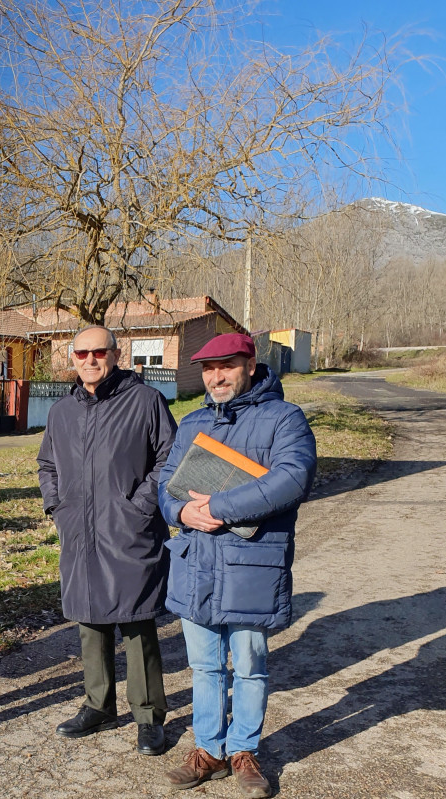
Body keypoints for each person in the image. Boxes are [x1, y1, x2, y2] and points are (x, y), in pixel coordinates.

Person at [158, 332, 316, 798]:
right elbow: (166, 483)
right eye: (208, 368)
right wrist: (182, 512)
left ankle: (244, 750)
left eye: (226, 365)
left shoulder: (284, 418)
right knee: (205, 667)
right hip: (197, 562)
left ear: (250, 364)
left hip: (250, 565)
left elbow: (294, 478)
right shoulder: (192, 423)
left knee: (249, 665)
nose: (216, 376)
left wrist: (222, 507)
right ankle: (208, 749)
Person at [37, 325, 177, 756]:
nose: (90, 360)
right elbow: (47, 464)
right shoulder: (62, 411)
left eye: (100, 352)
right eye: (82, 354)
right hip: (80, 531)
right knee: (90, 619)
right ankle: (98, 704)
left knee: (137, 622)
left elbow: (169, 459)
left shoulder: (145, 401)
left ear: (116, 355)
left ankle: (149, 716)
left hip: (129, 530)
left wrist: (138, 506)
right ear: (72, 359)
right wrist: (56, 506)